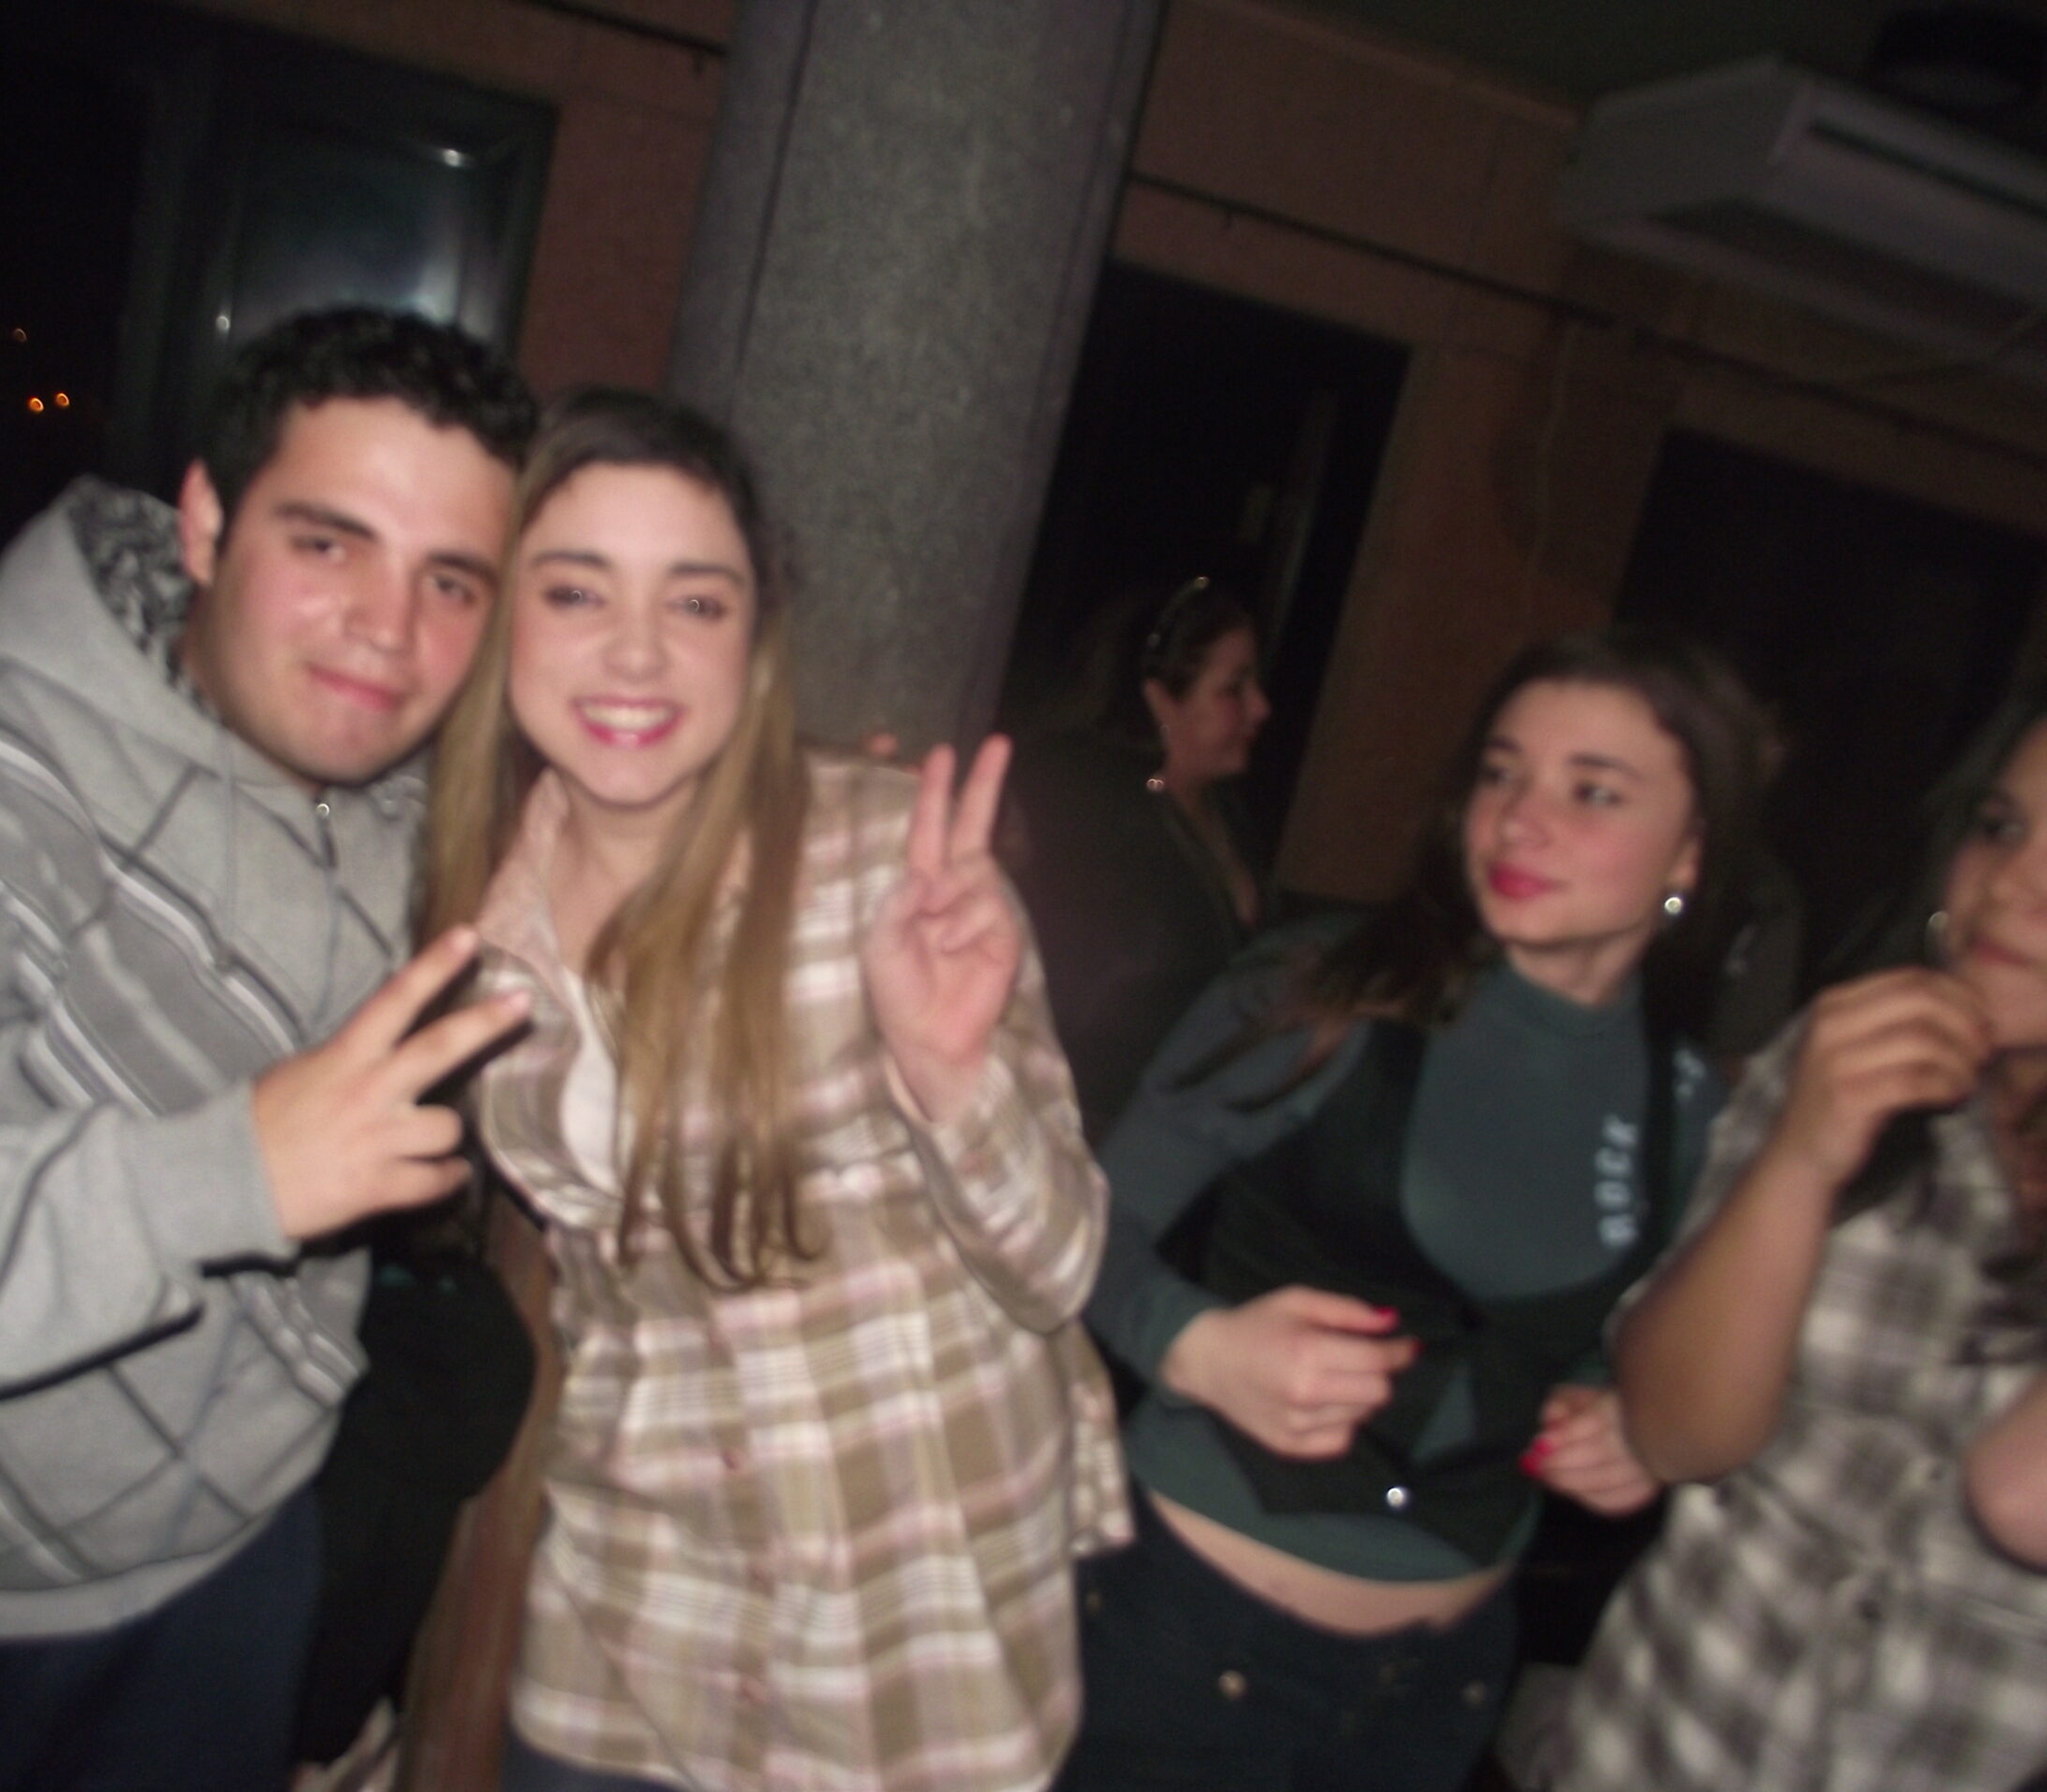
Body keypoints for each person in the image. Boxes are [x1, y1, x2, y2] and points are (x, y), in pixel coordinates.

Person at [0, 308, 536, 1792]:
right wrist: (218, 1178)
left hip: (222, 1603)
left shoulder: (416, 820)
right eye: (328, 544)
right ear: (205, 522)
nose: (389, 631)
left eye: (450, 581)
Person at [417, 387, 1129, 1792]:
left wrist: (949, 1075)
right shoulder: (472, 914)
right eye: (576, 592)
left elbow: (1058, 1271)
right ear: (505, 623)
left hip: (906, 1616)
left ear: (753, 647)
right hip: (637, 1596)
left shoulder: (885, 863)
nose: (636, 651)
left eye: (695, 602)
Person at [1060, 628, 1773, 1792]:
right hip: (1183, 1642)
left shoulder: (1684, 1099)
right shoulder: (1322, 990)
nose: (1520, 820)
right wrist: (1191, 1344)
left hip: (1441, 1688)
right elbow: (1072, 1221)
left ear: (1691, 849)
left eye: (1591, 791)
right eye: (1501, 773)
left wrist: (1620, 1422)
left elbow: (1610, 1341)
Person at [1549, 685, 2047, 1792]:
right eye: (2001, 828)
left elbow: (2024, 1497)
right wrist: (1799, 1159)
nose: (2012, 885)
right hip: (1662, 1738)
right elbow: (1675, 1432)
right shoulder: (1852, 1055)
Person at [1005, 576, 1274, 1140]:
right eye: (1234, 688)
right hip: (1095, 1126)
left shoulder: (1228, 813)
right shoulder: (1100, 815)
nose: (1260, 707)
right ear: (1160, 700)